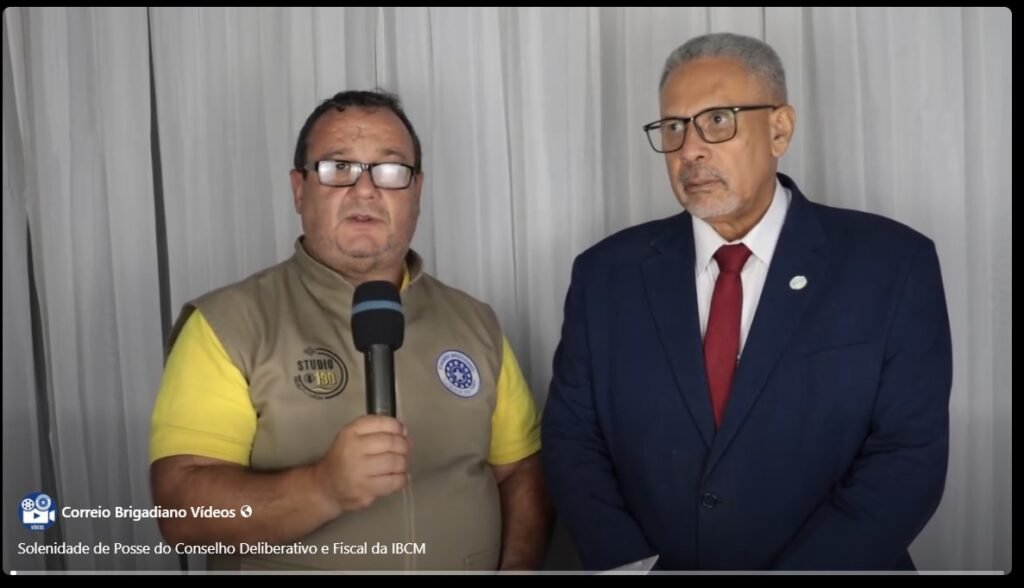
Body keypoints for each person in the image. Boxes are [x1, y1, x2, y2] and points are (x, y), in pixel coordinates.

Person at [542, 32, 952, 571]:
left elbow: (907, 456)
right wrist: (632, 565)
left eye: (717, 120)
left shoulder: (892, 264)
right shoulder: (605, 275)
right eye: (673, 127)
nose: (690, 149)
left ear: (779, 129)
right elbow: (573, 440)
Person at [149, 90, 553, 571]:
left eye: (390, 169)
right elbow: (181, 513)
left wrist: (518, 567)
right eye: (338, 167)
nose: (365, 190)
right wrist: (323, 488)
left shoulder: (475, 323)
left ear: (417, 191)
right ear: (299, 189)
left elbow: (520, 470)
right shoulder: (228, 325)